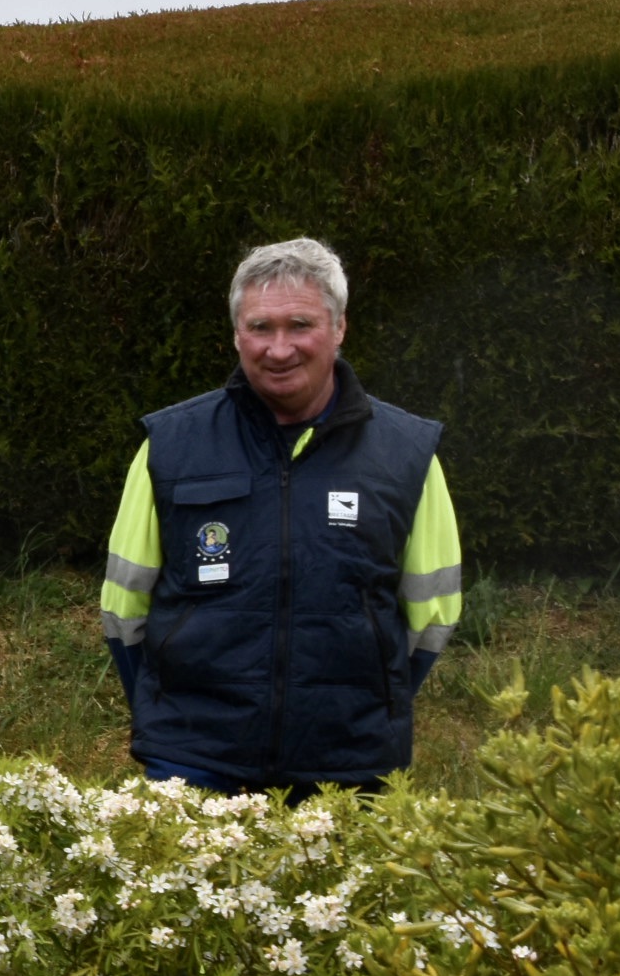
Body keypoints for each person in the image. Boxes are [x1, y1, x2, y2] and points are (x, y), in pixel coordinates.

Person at [97, 238, 463, 793]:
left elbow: (432, 616)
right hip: (194, 757)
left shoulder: (405, 454)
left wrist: (364, 701)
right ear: (236, 334)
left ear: (339, 328)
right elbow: (124, 611)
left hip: (349, 763)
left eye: (300, 325)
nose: (279, 348)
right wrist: (171, 707)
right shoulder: (170, 447)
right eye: (260, 327)